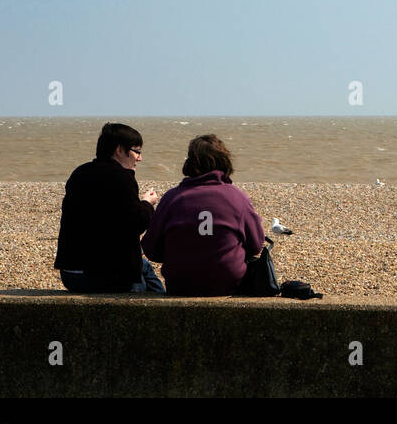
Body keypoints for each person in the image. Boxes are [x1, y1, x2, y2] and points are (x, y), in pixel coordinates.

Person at [141, 134, 265, 296]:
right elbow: (256, 245)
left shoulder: (172, 198)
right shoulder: (237, 198)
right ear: (224, 162)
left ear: (189, 163)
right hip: (228, 286)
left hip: (180, 286)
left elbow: (151, 249)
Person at [54, 122, 163, 293]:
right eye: (137, 152)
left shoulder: (80, 173)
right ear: (120, 150)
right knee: (142, 277)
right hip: (104, 276)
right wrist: (147, 204)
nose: (140, 158)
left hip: (70, 271)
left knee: (145, 268)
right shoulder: (121, 177)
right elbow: (137, 224)